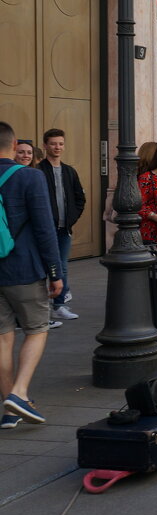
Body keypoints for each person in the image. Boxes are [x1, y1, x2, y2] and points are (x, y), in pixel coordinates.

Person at [0, 121, 63, 429]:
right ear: (14, 147)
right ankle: (19, 392)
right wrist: (55, 272)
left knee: (2, 338)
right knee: (37, 329)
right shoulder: (30, 177)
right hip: (24, 269)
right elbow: (44, 228)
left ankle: (10, 411)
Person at [36, 129, 84, 321]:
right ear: (45, 146)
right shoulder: (38, 171)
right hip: (44, 229)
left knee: (62, 267)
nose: (57, 147)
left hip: (65, 228)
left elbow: (80, 198)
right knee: (41, 268)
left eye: (60, 144)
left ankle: (59, 305)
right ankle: (40, 309)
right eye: (53, 143)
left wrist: (71, 218)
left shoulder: (69, 171)